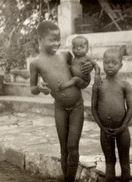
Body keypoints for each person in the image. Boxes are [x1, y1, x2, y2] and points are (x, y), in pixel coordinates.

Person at [29, 21, 93, 181]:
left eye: (58, 39)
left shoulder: (66, 56)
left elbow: (83, 79)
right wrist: (39, 88)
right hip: (60, 108)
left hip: (77, 105)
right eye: (52, 39)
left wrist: (89, 70)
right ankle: (68, 179)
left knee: (72, 146)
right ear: (40, 39)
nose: (57, 43)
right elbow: (32, 89)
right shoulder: (36, 63)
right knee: (63, 148)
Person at [91, 48, 132, 182]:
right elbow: (93, 108)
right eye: (106, 62)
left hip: (122, 131)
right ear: (103, 63)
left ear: (120, 65)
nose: (110, 65)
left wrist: (123, 126)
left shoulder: (124, 85)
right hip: (105, 131)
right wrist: (102, 127)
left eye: (114, 63)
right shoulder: (98, 85)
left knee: (124, 161)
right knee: (109, 162)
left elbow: (131, 108)